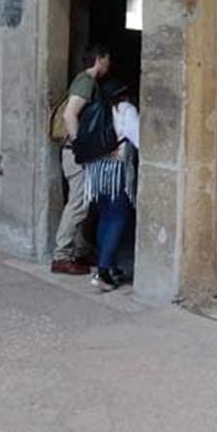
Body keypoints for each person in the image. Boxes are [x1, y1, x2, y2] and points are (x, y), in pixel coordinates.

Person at [50, 44, 111, 275]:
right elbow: (70, 114)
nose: (109, 64)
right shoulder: (86, 81)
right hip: (76, 153)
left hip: (75, 152)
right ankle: (62, 256)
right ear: (100, 59)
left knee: (83, 204)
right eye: (107, 59)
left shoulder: (86, 81)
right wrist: (80, 145)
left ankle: (79, 251)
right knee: (78, 204)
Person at [87, 80, 140, 292]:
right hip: (116, 171)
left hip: (97, 171)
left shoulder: (97, 108)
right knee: (119, 217)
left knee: (105, 217)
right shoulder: (126, 109)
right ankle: (103, 270)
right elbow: (138, 139)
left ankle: (108, 265)